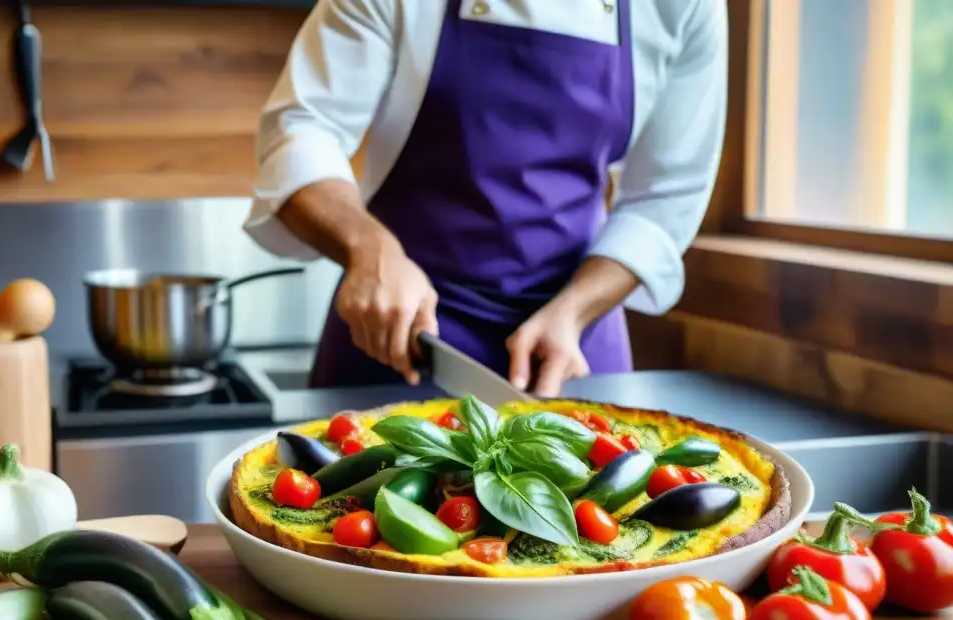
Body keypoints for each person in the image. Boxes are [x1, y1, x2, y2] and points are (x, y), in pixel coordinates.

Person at [244, 0, 727, 396]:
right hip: (396, 332)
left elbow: (665, 199)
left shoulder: (682, 7)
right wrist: (370, 250)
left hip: (572, 344)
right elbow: (301, 130)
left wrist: (574, 312)